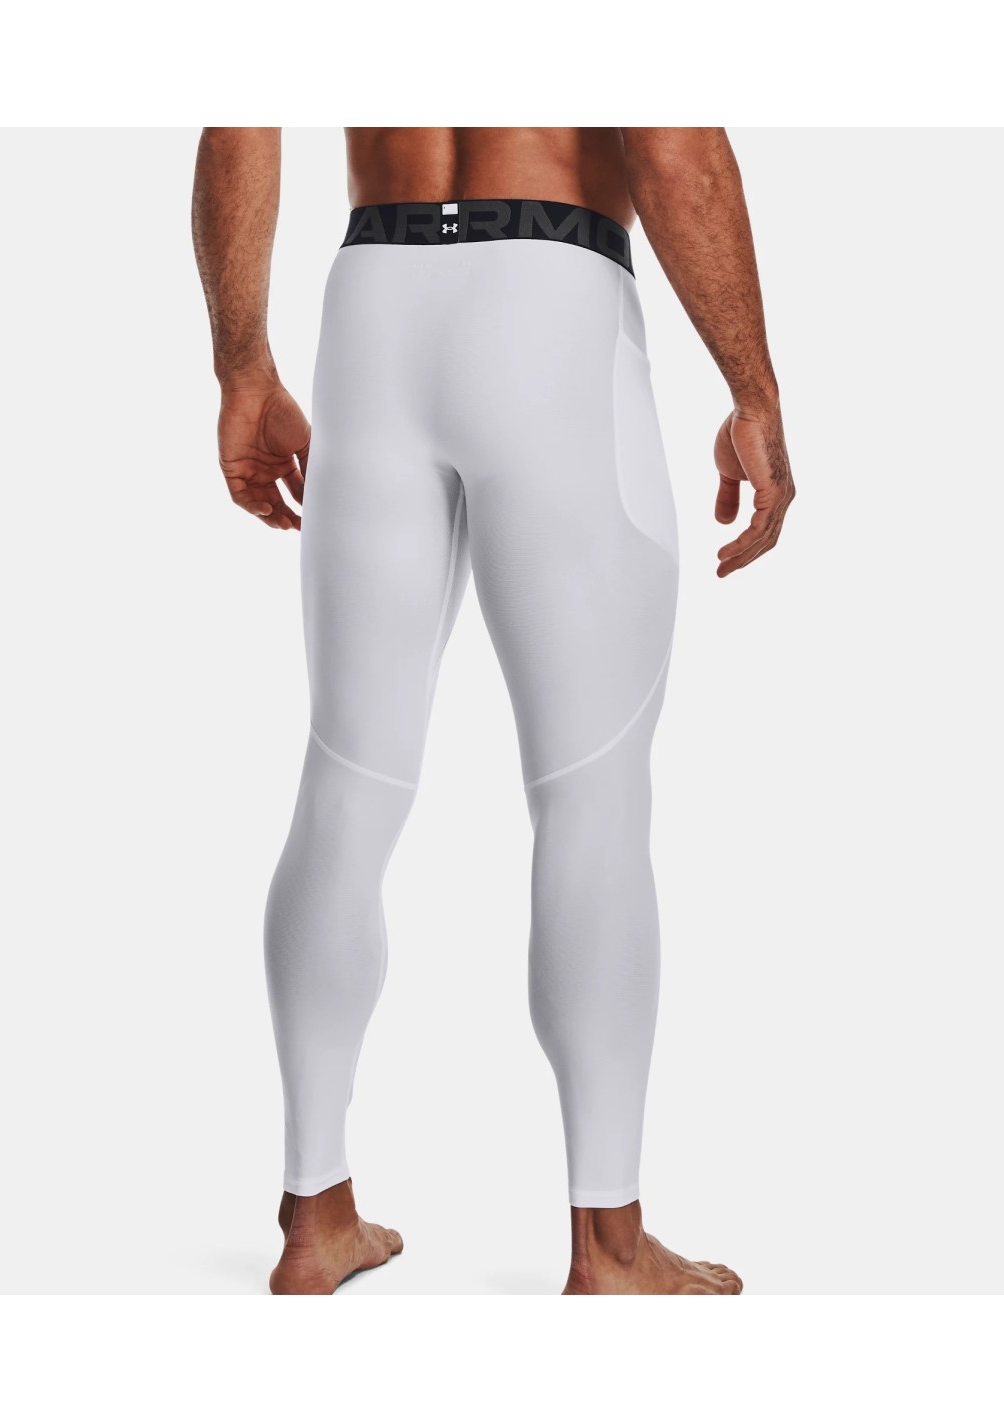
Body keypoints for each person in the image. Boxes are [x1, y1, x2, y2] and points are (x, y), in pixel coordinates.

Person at [192, 127, 794, 1295]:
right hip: (549, 296)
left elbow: (238, 121)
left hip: (372, 303)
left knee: (346, 778)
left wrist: (242, 366)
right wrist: (752, 390)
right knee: (591, 796)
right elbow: (670, 147)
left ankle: (314, 1213)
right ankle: (607, 1246)